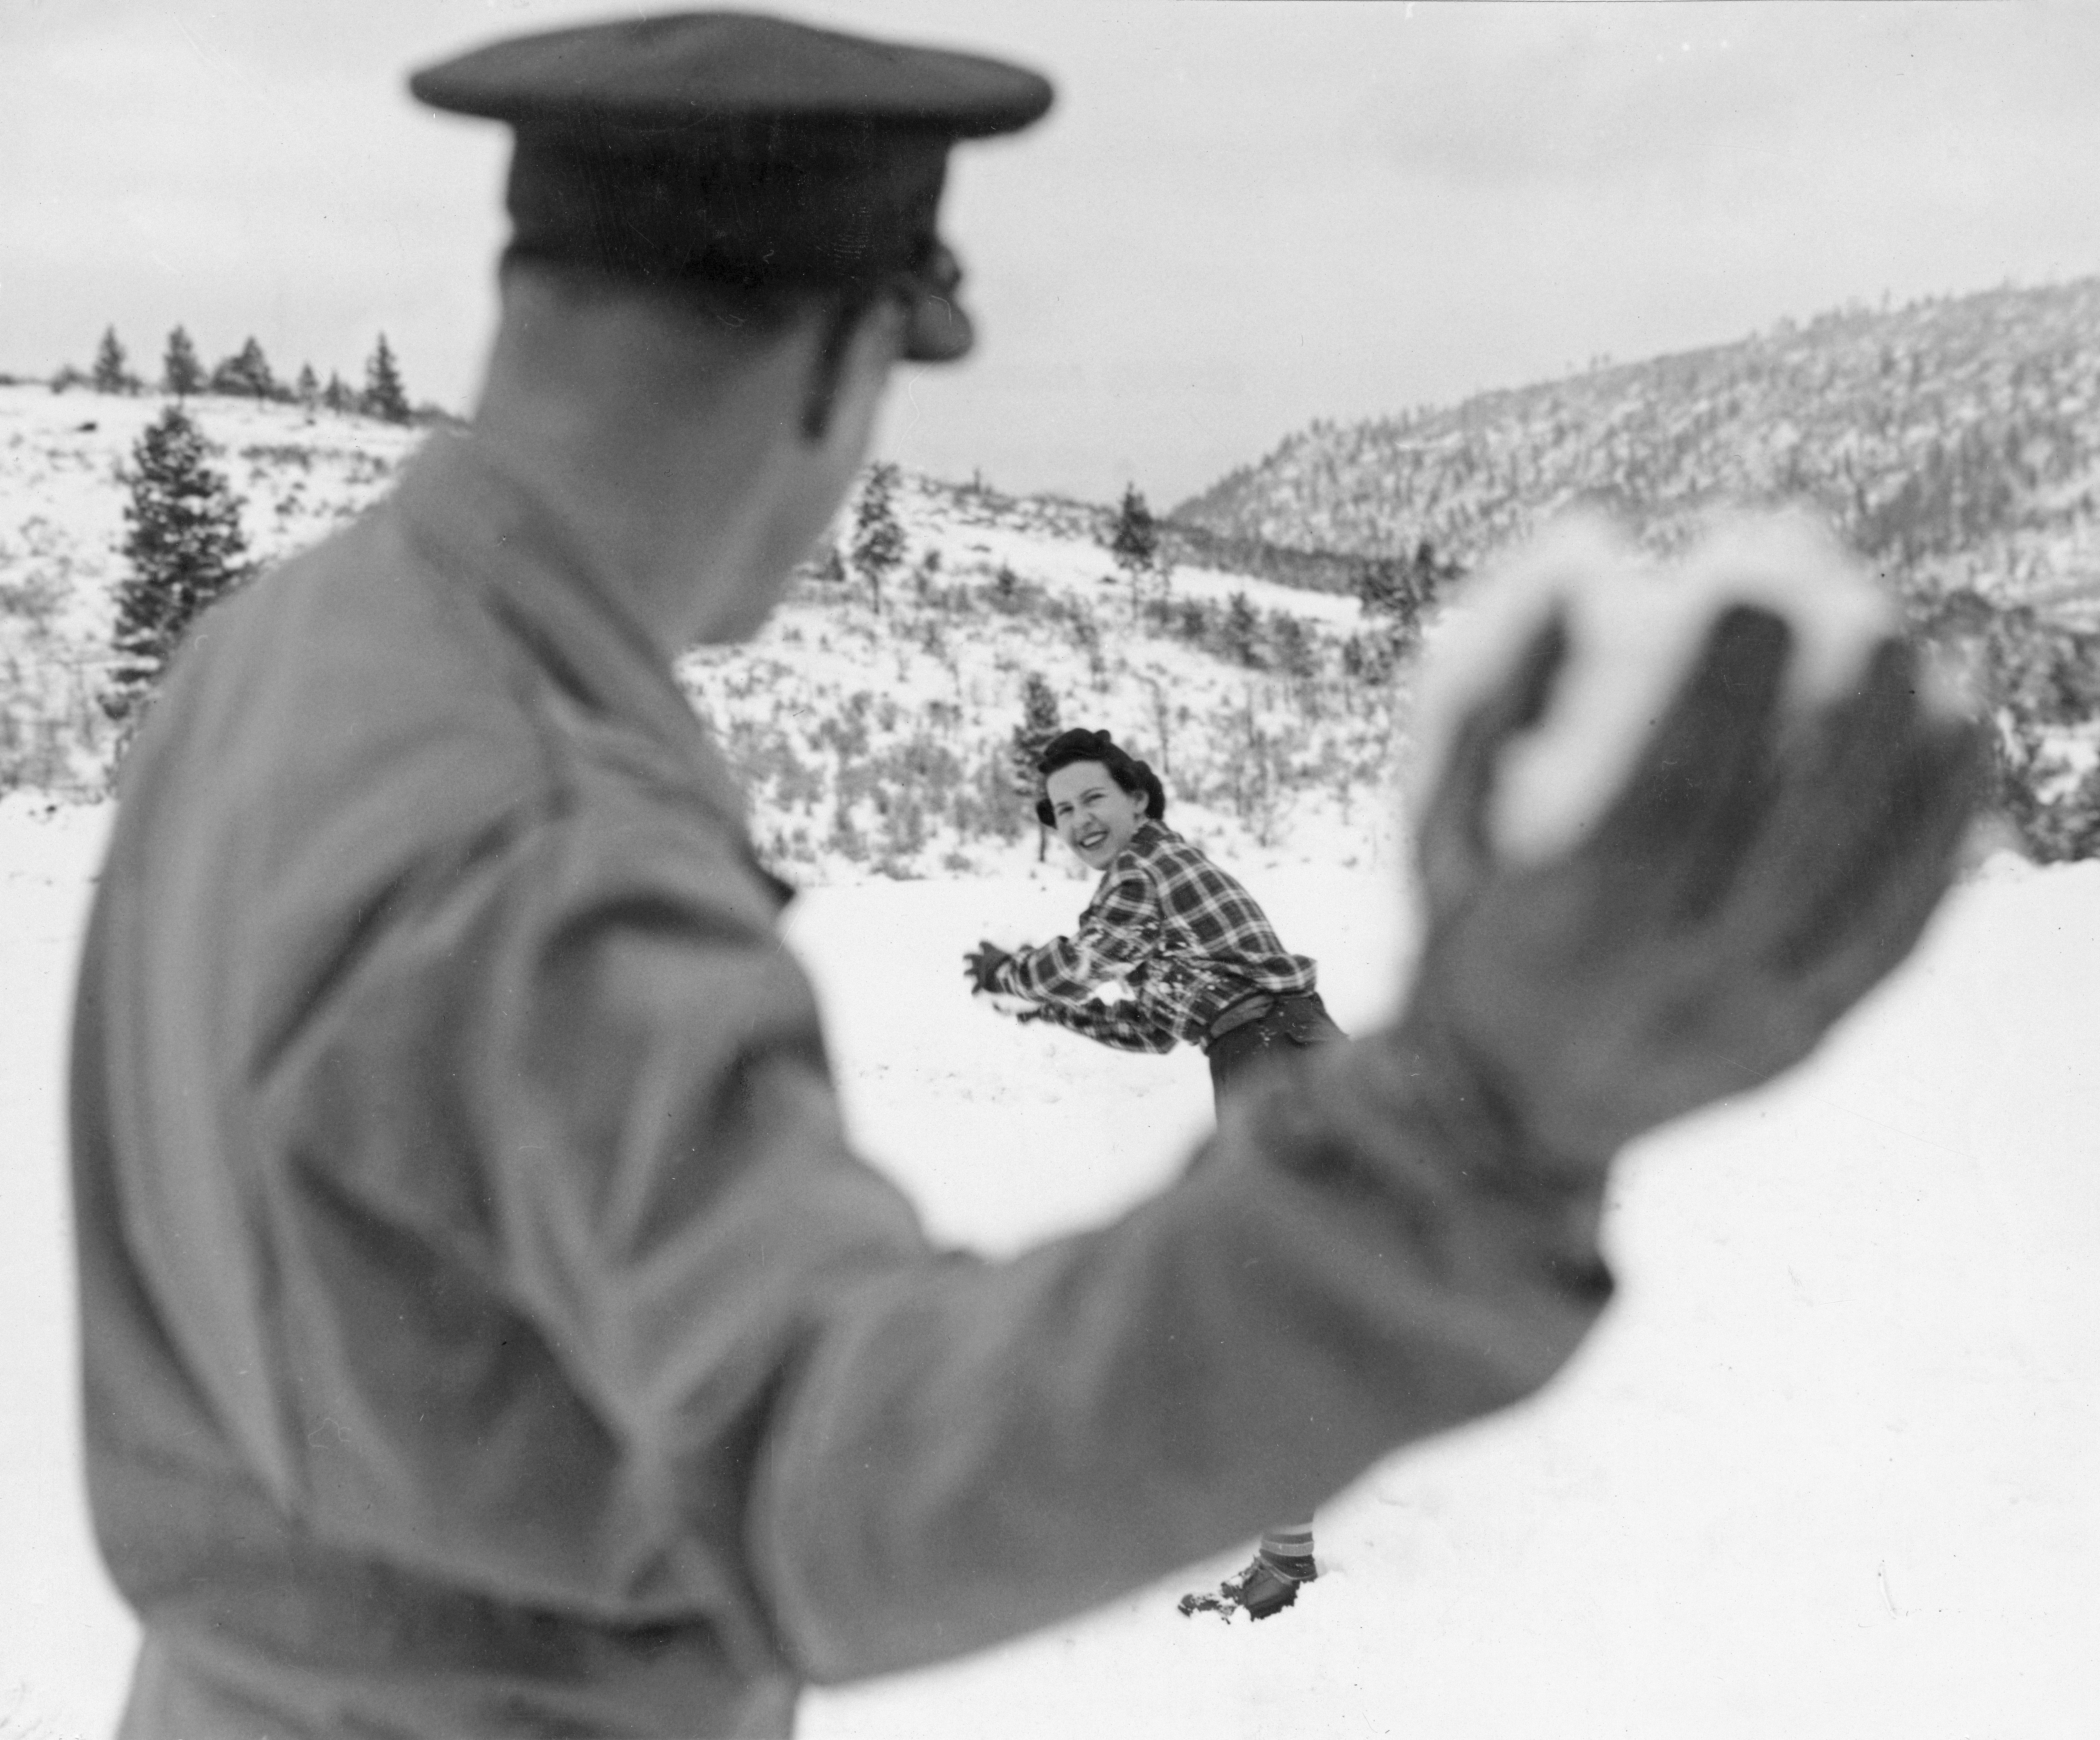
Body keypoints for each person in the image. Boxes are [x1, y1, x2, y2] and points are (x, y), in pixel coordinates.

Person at [67, 11, 1984, 1739]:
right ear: (833, 363)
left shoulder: (288, 651)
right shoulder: (538, 821)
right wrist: (1485, 1125)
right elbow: (830, 1473)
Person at [963, 725, 1345, 1617]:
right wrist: (1044, 1013)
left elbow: (1088, 958)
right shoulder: (1156, 898)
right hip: (1266, 1057)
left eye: (1095, 797)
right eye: (1063, 812)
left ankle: (1287, 1557)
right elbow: (1144, 1022)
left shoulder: (1147, 870)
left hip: (1277, 1054)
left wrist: (1019, 976)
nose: (1081, 819)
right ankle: (1289, 1538)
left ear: (1139, 799)